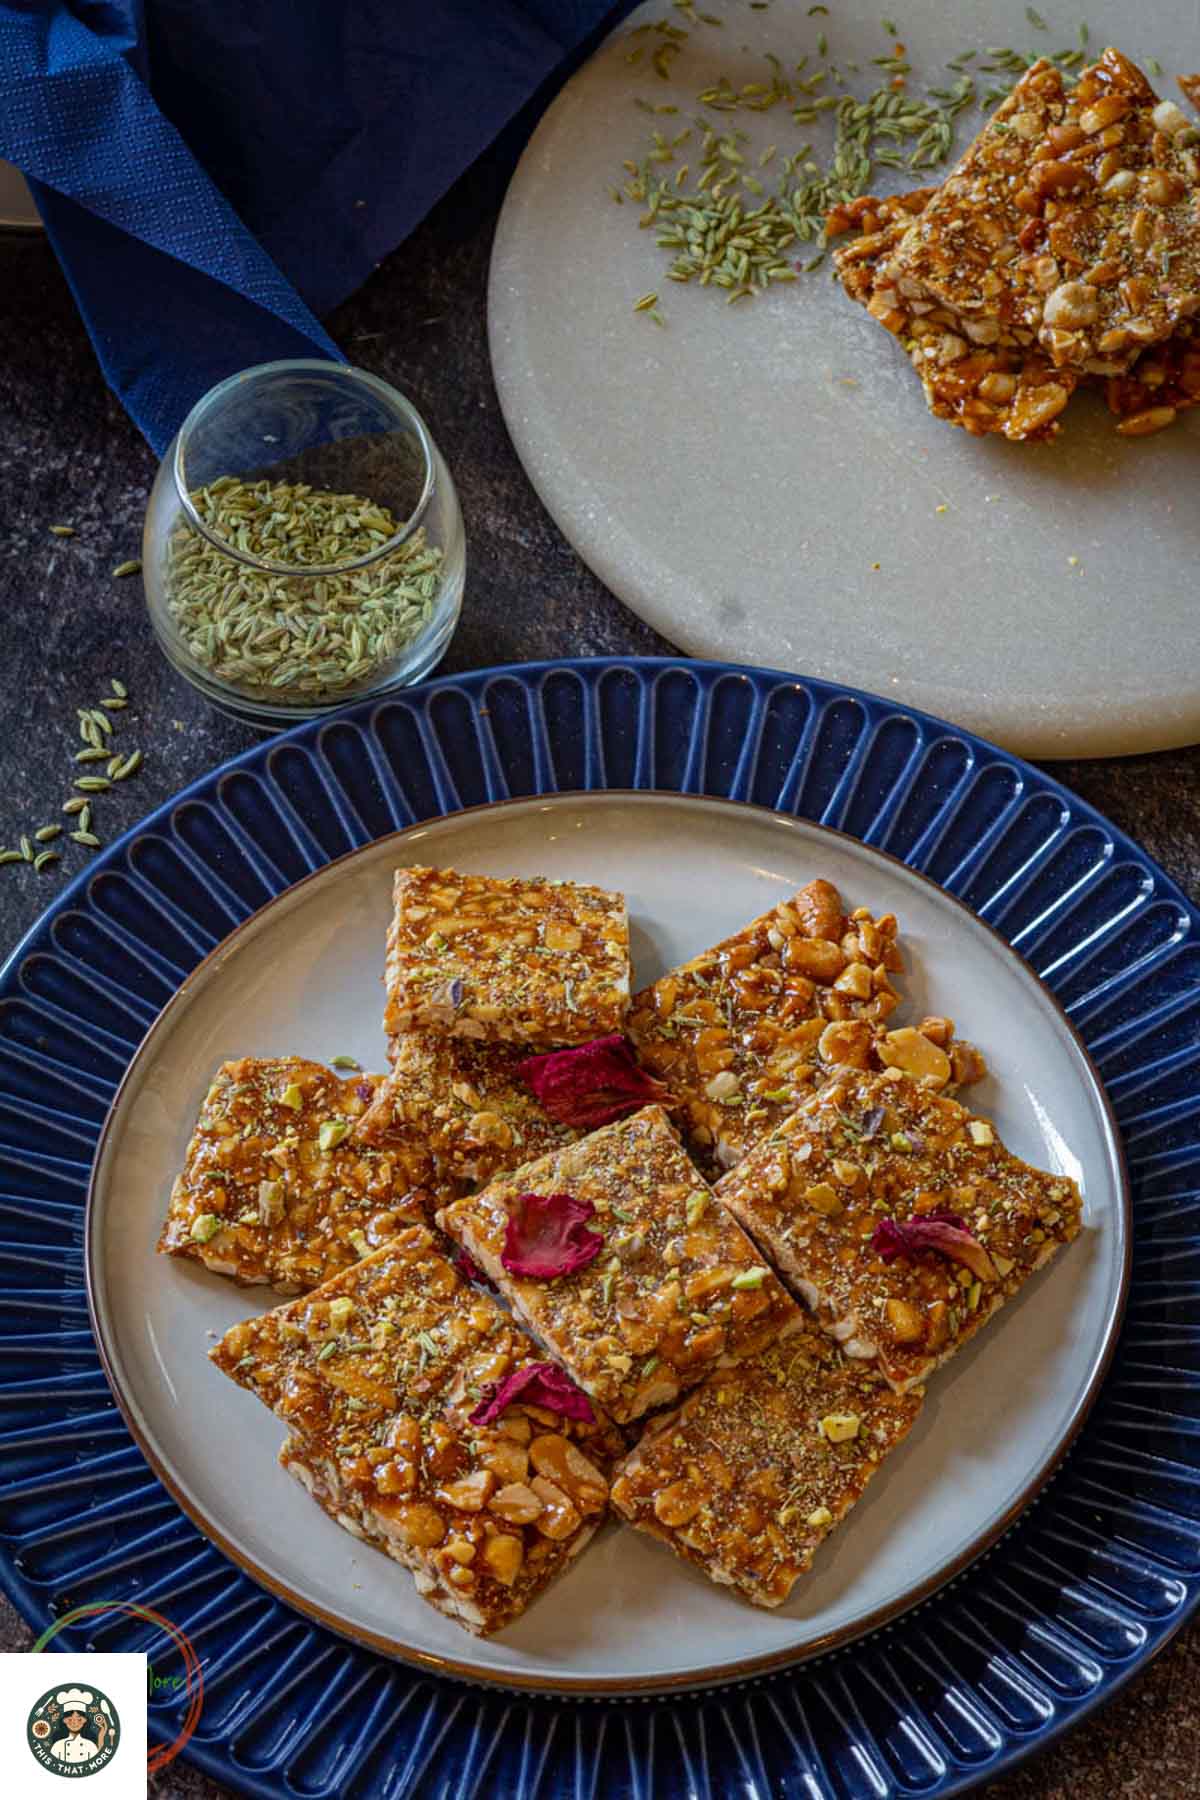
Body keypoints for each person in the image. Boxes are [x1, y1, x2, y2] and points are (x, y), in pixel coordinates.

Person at [49, 1688, 103, 1763]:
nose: (75, 1723)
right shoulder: (58, 1746)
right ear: (64, 1721)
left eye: (79, 1719)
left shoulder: (90, 1745)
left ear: (85, 1721)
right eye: (70, 1719)